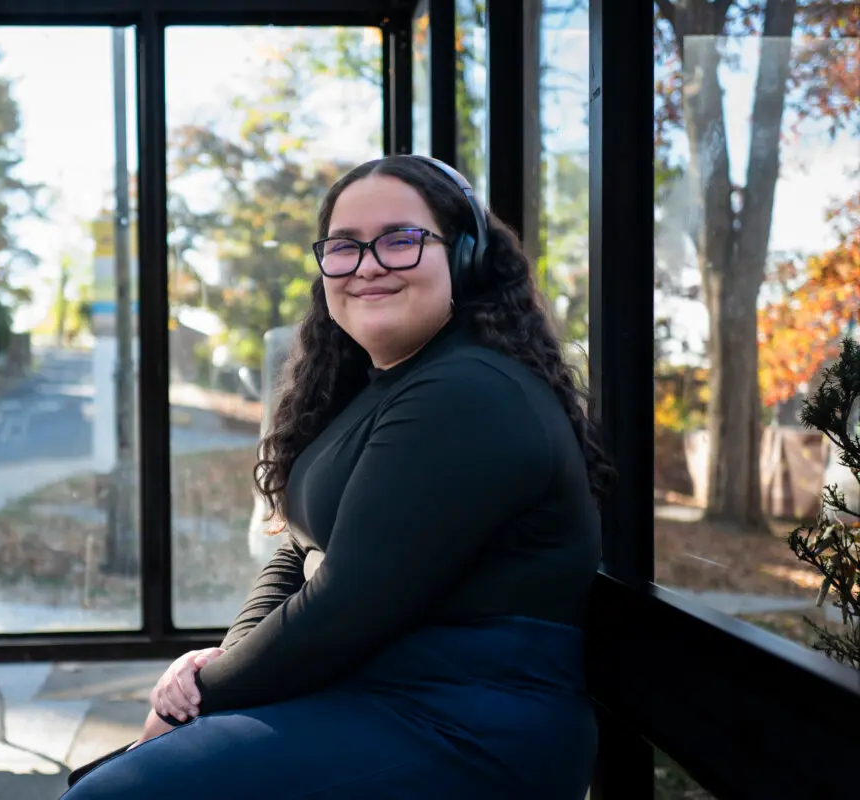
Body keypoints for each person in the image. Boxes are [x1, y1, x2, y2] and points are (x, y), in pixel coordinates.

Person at [62, 154, 613, 799]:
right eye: (344, 247)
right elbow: (293, 554)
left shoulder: (468, 391)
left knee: (115, 795)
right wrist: (215, 668)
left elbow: (346, 603)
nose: (368, 264)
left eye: (401, 240)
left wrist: (196, 695)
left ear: (465, 257)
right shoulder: (379, 386)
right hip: (370, 690)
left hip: (464, 724)